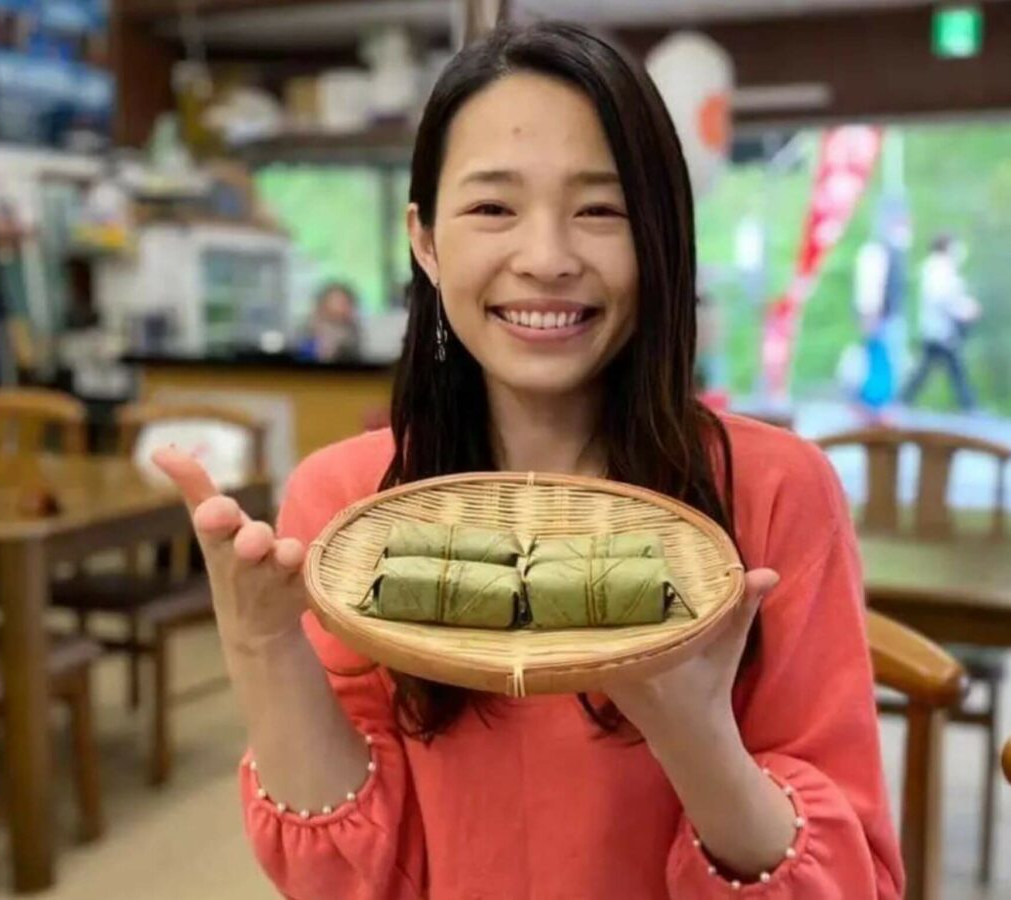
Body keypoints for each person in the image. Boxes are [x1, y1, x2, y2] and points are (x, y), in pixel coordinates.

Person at [154, 23, 902, 900]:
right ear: (425, 240)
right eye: (492, 208)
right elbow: (348, 881)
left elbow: (852, 883)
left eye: (601, 208)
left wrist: (697, 736)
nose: (546, 259)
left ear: (660, 237)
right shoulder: (352, 502)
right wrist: (261, 642)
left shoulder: (775, 495)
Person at [900, 234, 981, 412]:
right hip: (940, 328)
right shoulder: (938, 269)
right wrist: (962, 310)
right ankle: (969, 406)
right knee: (953, 368)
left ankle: (903, 400)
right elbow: (941, 298)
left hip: (940, 328)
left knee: (930, 368)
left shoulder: (941, 268)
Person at [851, 195, 912, 419]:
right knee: (880, 361)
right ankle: (873, 404)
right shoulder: (877, 252)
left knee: (884, 360)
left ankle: (876, 403)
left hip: (887, 314)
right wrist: (870, 313)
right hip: (879, 315)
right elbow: (871, 288)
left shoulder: (891, 251)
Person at [298, 281, 363, 362]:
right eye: (337, 302)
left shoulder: (354, 338)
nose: (341, 308)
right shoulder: (304, 338)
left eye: (344, 303)